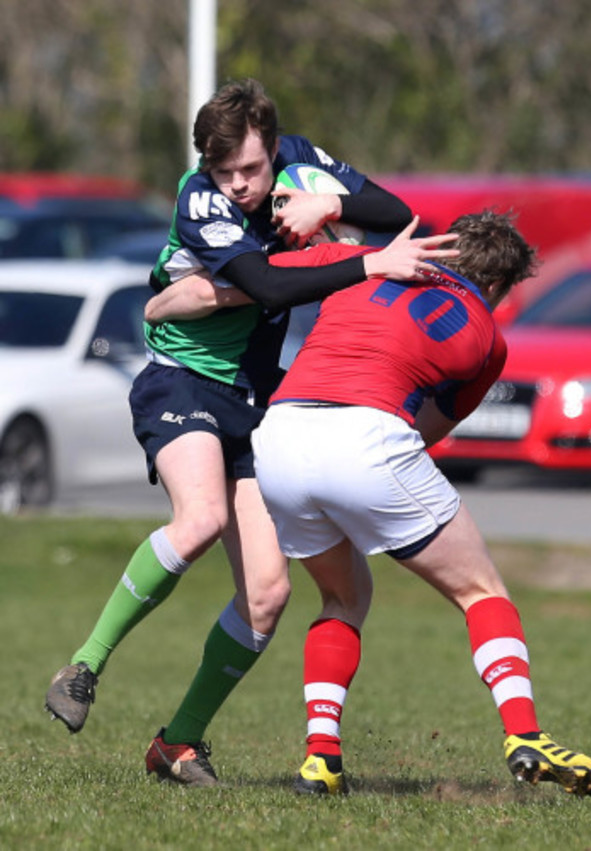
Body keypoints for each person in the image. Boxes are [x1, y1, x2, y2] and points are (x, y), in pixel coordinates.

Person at [44, 77, 456, 787]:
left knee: (267, 593)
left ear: (274, 150)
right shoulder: (199, 198)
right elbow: (267, 286)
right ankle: (84, 663)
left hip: (255, 400)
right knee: (199, 516)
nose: (239, 184)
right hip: (182, 383)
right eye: (224, 170)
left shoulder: (298, 161)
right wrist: (365, 262)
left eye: (252, 170)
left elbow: (397, 212)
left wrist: (334, 203)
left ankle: (178, 742)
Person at [250, 210, 591, 798]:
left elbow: (259, 275)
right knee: (483, 592)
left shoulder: (359, 266)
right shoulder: (487, 338)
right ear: (497, 286)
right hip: (367, 435)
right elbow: (426, 428)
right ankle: (525, 734)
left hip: (280, 433)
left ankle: (321, 759)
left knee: (344, 596)